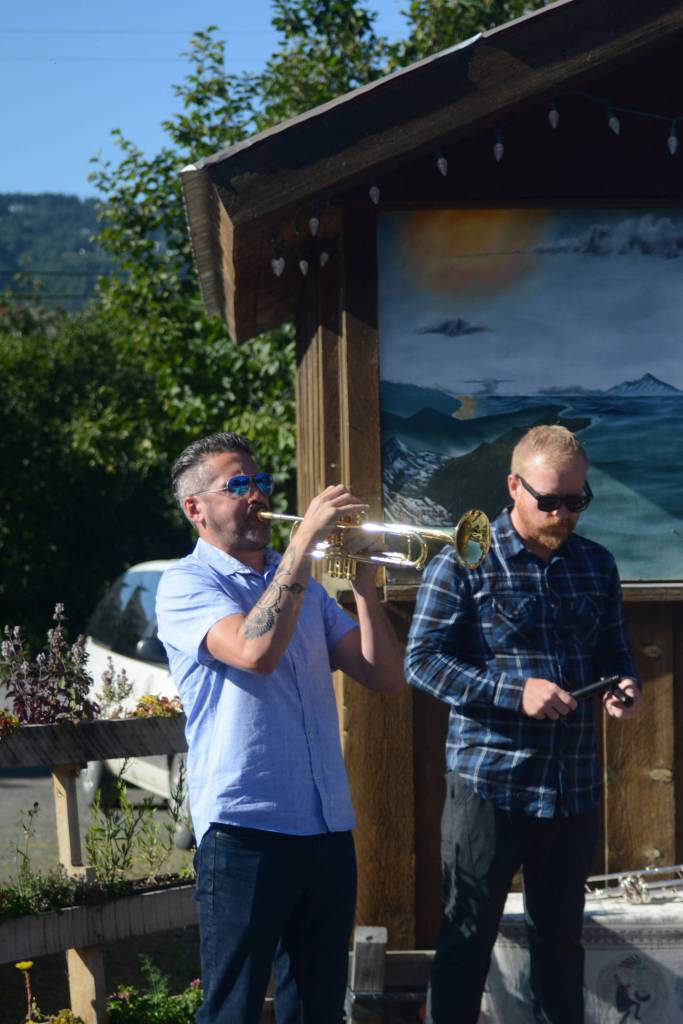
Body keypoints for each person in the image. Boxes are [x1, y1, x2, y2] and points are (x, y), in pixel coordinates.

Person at [155, 430, 405, 1024]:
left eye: (260, 481)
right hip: (246, 830)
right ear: (196, 509)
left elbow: (385, 675)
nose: (256, 495)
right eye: (236, 485)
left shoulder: (309, 591)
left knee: (316, 1010)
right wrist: (301, 545)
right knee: (233, 1009)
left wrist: (366, 588)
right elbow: (254, 652)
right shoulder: (187, 584)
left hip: (324, 827)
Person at [404, 425, 642, 1024]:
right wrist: (516, 693)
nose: (564, 514)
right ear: (513, 486)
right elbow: (422, 662)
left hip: (572, 789)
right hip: (490, 784)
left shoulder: (596, 564)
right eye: (550, 501)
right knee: (466, 943)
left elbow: (614, 652)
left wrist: (621, 687)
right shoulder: (463, 563)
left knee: (561, 947)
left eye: (577, 501)